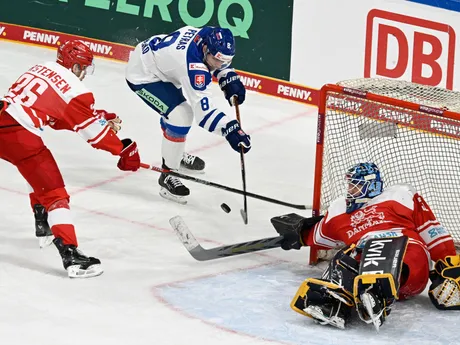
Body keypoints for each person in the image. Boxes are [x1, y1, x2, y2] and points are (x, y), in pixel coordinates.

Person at [0, 40, 141, 278]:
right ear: (74, 66)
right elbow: (95, 136)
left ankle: (41, 219)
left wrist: (96, 116)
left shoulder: (41, 67)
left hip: (6, 120)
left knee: (33, 169)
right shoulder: (76, 89)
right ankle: (72, 256)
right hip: (19, 137)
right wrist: (123, 150)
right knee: (55, 194)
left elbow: (55, 117)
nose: (83, 72)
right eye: (82, 67)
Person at [271, 162, 460, 330]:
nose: (351, 189)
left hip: (407, 250)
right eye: (350, 184)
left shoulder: (399, 196)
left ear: (372, 185)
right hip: (365, 253)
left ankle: (376, 291)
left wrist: (448, 258)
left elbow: (430, 228)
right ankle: (337, 304)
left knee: (387, 251)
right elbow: (318, 236)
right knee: (344, 259)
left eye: (356, 185)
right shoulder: (339, 210)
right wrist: (299, 234)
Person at [125, 25, 251, 204]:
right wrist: (229, 129)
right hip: (144, 75)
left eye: (225, 61)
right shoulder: (193, 67)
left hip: (162, 65)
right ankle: (168, 175)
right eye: (217, 60)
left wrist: (226, 75)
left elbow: (218, 61)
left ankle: (175, 153)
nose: (220, 64)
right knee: (180, 116)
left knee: (176, 113)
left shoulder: (209, 36)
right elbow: (204, 115)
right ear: (206, 49)